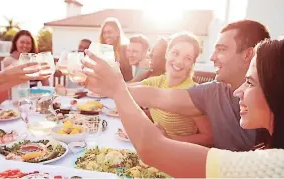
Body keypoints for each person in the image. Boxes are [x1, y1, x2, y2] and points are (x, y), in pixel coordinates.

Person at [81, 39, 284, 178]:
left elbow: (153, 150)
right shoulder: (267, 148)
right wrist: (112, 87)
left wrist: (117, 88)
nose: (238, 92)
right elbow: (154, 96)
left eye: (249, 82)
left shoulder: (275, 165)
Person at [127, 20, 270, 151]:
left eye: (221, 49)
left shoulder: (273, 100)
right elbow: (156, 96)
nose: (212, 57)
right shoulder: (213, 90)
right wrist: (112, 86)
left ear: (247, 55)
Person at [129, 32, 213, 146]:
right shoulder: (158, 81)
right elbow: (125, 89)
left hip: (180, 153)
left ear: (192, 64)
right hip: (157, 145)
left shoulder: (193, 93)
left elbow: (208, 138)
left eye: (187, 58)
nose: (179, 61)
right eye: (175, 53)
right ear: (167, 54)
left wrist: (169, 138)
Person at [99, 17, 132, 81]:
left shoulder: (125, 49)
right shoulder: (100, 51)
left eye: (110, 32)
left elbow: (128, 75)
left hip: (123, 87)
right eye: (104, 33)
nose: (107, 35)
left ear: (117, 33)